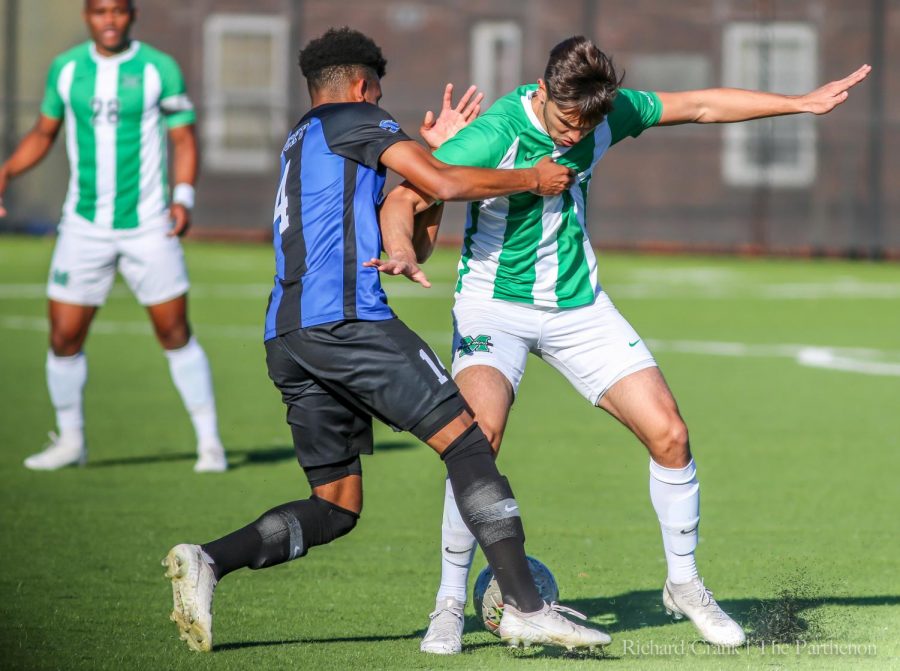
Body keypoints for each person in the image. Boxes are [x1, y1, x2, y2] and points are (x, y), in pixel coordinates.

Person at [374, 35, 871, 654]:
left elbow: (701, 106)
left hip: (580, 309)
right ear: (544, 91)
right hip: (493, 308)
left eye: (585, 123)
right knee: (478, 441)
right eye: (563, 121)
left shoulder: (604, 114)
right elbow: (406, 194)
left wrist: (799, 103)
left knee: (670, 433)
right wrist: (399, 249)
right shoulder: (500, 127)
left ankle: (685, 586)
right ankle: (448, 601)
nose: (572, 134)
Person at [162, 27, 611, 654]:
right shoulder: (355, 117)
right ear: (362, 87)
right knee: (468, 442)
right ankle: (527, 607)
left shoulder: (307, 142)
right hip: (344, 323)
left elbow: (416, 225)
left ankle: (209, 560)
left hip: (288, 336)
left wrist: (431, 160)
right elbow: (447, 182)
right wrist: (527, 179)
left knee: (336, 506)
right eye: (382, 98)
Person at [0, 0, 227, 472]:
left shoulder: (158, 68)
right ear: (87, 15)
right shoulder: (65, 70)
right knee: (63, 337)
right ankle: (70, 442)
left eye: (118, 11)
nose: (109, 20)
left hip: (149, 226)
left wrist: (182, 197)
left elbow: (184, 139)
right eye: (100, 11)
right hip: (83, 227)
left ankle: (210, 443)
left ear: (132, 15)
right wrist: (5, 172)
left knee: (174, 331)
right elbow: (44, 133)